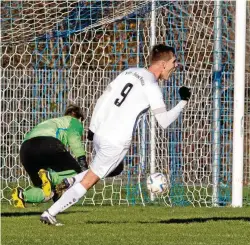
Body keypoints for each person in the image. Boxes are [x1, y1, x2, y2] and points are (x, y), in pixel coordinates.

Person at [40, 44, 191, 225]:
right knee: (90, 180)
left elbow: (104, 97)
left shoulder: (129, 72)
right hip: (116, 140)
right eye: (174, 61)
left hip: (100, 132)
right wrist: (183, 101)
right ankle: (51, 212)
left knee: (111, 169)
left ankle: (69, 180)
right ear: (163, 64)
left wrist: (93, 128)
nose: (176, 65)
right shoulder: (152, 86)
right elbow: (164, 121)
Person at [11, 105, 88, 208]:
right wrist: (82, 161)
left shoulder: (51, 121)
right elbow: (74, 139)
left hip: (26, 150)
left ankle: (21, 195)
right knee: (78, 173)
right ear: (79, 117)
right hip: (47, 144)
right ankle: (51, 177)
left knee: (46, 189)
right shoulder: (74, 121)